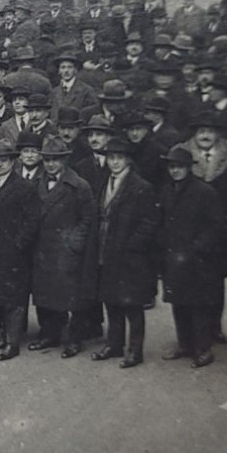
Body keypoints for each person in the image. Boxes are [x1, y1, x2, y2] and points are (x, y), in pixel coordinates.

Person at [91, 138, 159, 368]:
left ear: (128, 160)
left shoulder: (141, 187)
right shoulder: (104, 183)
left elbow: (149, 222)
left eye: (119, 158)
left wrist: (132, 246)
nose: (115, 162)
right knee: (111, 300)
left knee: (132, 304)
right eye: (111, 158)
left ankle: (135, 350)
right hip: (106, 251)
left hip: (130, 256)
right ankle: (114, 344)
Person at [157, 144, 226, 367]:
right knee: (179, 303)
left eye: (179, 167)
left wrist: (198, 247)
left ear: (189, 168)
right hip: (174, 257)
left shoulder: (204, 192)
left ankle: (203, 349)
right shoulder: (167, 190)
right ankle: (185, 344)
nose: (174, 171)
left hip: (197, 259)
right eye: (171, 167)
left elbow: (215, 226)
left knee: (199, 305)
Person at [0, 140, 42, 360]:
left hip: (14, 253)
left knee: (14, 298)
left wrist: (18, 245)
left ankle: (12, 342)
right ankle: (4, 335)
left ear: (13, 162)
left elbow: (32, 221)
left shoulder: (24, 187)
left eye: (4, 160)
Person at [29, 136, 97, 357]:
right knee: (45, 294)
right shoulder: (36, 183)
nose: (50, 164)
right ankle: (49, 334)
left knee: (71, 297)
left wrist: (74, 241)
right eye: (47, 159)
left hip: (67, 251)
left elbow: (88, 218)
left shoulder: (78, 185)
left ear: (64, 160)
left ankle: (74, 339)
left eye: (55, 160)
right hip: (43, 248)